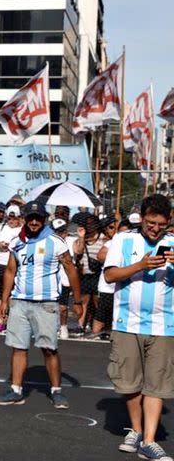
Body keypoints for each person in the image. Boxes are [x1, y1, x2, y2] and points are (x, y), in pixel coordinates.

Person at [104, 194, 174, 460]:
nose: (155, 229)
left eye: (161, 224)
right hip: (127, 321)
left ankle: (149, 440)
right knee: (129, 382)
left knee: (157, 384)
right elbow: (110, 275)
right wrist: (141, 265)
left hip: (164, 325)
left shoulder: (173, 243)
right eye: (150, 223)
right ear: (142, 219)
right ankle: (135, 428)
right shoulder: (124, 240)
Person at [0, 201, 81, 409]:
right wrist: (4, 300)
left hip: (46, 303)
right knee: (18, 347)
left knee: (49, 349)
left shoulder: (56, 241)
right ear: (25, 219)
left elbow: (71, 270)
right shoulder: (17, 241)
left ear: (44, 219)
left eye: (38, 218)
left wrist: (76, 301)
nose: (34, 222)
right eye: (30, 218)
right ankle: (15, 390)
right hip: (20, 301)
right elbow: (10, 271)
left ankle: (56, 391)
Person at [0, 205, 23, 332]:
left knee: (9, 295)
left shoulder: (22, 230)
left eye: (14, 218)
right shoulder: (0, 228)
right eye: (9, 218)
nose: (11, 221)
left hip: (13, 266)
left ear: (19, 218)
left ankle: (8, 321)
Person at [52, 218, 78, 340]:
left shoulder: (71, 241)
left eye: (62, 231)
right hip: (51, 279)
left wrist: (82, 238)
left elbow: (79, 250)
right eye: (57, 231)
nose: (60, 233)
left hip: (64, 279)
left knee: (63, 307)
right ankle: (52, 328)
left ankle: (63, 327)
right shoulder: (48, 242)